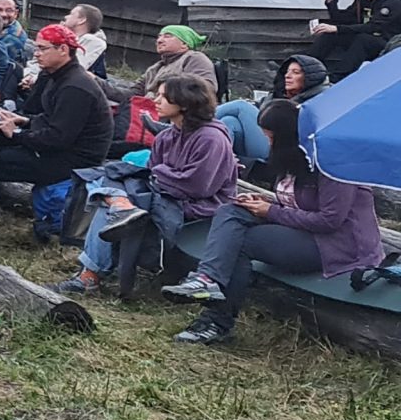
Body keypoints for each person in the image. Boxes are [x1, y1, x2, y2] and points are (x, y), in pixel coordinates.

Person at [163, 100, 383, 344]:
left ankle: (216, 322)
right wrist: (265, 203)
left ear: (288, 137)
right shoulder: (294, 160)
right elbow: (298, 201)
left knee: (242, 242)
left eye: (270, 137)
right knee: (231, 211)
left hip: (336, 245)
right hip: (303, 229)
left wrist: (270, 211)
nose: (268, 143)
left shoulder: (334, 164)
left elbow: (329, 220)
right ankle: (206, 279)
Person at [63, 76, 234, 294]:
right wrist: (157, 176)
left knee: (112, 193)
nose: (156, 101)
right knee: (98, 177)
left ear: (184, 103)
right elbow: (153, 172)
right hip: (165, 194)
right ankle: (120, 207)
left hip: (197, 207)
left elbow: (197, 186)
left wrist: (159, 173)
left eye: (163, 96)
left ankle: (91, 273)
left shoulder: (211, 139)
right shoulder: (168, 135)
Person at [0, 22, 108, 242]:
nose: (36, 53)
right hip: (59, 149)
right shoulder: (56, 76)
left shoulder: (75, 87)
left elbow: (58, 138)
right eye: (37, 48)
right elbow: (49, 119)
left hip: (75, 161)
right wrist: (24, 121)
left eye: (43, 48)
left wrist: (17, 135)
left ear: (63, 50)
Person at [310, 0, 401, 79]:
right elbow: (345, 19)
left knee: (363, 39)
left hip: (388, 44)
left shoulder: (393, 1)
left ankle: (337, 77)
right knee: (331, 35)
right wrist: (331, 1)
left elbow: (374, 27)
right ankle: (305, 67)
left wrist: (337, 28)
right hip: (366, 40)